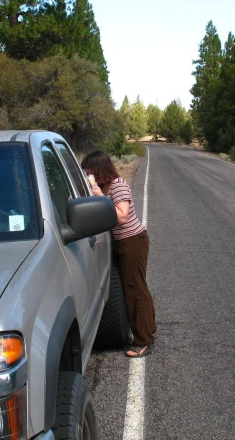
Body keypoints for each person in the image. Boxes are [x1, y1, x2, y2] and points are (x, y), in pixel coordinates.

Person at [81, 150, 157, 358]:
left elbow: (121, 216)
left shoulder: (118, 185)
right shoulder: (104, 188)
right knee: (136, 287)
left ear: (99, 170)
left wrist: (99, 198)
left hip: (132, 241)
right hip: (123, 243)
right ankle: (148, 330)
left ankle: (143, 341)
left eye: (89, 173)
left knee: (134, 290)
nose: (88, 177)